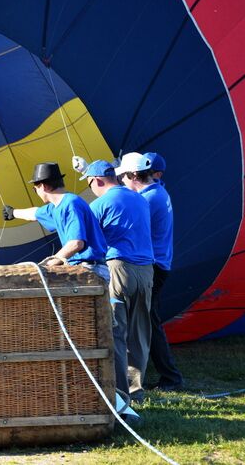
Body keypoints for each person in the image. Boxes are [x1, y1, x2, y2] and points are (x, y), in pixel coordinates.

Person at [82, 159, 155, 402]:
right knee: (140, 332)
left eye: (90, 182)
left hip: (118, 269)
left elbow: (88, 242)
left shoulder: (100, 204)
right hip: (146, 270)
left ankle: (121, 394)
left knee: (117, 331)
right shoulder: (140, 199)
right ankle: (137, 390)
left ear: (97, 181)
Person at [128, 152, 184, 391]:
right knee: (148, 320)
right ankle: (166, 375)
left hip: (154, 266)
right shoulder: (157, 190)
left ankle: (171, 378)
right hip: (160, 263)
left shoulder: (148, 199)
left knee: (149, 321)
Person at [1, 162, 108, 279]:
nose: (36, 192)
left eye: (35, 189)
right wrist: (13, 212)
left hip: (92, 270)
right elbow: (35, 213)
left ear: (43, 186)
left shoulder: (71, 204)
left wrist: (48, 264)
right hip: (82, 269)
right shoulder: (56, 207)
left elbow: (76, 243)